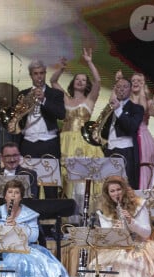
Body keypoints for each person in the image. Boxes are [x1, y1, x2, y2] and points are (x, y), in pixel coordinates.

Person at [69, 176, 154, 277]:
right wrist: (115, 230)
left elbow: (146, 233)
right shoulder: (104, 211)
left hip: (139, 246)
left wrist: (131, 222)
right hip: (116, 247)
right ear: (107, 193)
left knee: (131, 269)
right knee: (104, 268)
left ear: (124, 190)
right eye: (112, 191)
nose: (116, 194)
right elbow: (108, 237)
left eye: (118, 189)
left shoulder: (139, 205)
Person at [50, 49, 103, 201]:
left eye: (83, 80)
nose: (80, 81)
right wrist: (60, 69)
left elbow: (98, 82)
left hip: (82, 141)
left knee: (82, 177)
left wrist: (89, 62)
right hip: (65, 140)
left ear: (87, 85)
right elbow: (53, 81)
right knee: (63, 174)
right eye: (77, 79)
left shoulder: (89, 100)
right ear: (73, 83)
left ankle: (81, 209)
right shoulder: (66, 99)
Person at [17, 60, 65, 198]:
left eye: (42, 73)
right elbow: (17, 120)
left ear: (45, 74)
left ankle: (52, 218)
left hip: (49, 143)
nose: (39, 77)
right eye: (36, 74)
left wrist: (44, 99)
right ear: (31, 76)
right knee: (28, 186)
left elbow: (61, 114)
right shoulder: (23, 94)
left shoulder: (55, 94)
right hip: (28, 144)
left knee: (50, 185)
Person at [101, 78, 144, 189]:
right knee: (109, 185)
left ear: (130, 90)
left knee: (125, 186)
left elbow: (131, 127)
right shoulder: (110, 108)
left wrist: (119, 110)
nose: (121, 90)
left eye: (125, 87)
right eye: (118, 87)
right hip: (109, 150)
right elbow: (105, 129)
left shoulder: (137, 109)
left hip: (125, 151)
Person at [129, 72, 154, 189]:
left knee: (144, 167)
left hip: (143, 137)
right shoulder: (126, 100)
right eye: (133, 81)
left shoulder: (148, 101)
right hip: (129, 136)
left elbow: (143, 109)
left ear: (143, 84)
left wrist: (145, 92)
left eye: (138, 81)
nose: (135, 83)